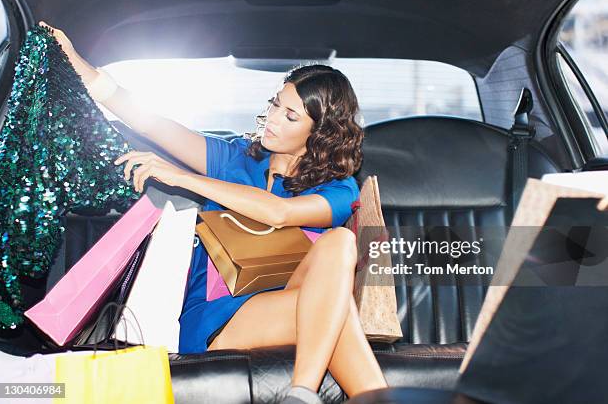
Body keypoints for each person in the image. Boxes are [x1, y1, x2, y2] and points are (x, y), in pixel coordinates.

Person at [39, 22, 390, 403]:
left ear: (319, 133)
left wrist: (185, 178)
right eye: (276, 104)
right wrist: (82, 68)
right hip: (217, 319)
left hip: (294, 303)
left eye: (291, 117)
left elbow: (280, 214)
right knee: (336, 315)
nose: (273, 119)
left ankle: (301, 392)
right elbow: (152, 124)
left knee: (338, 243)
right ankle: (311, 395)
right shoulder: (234, 157)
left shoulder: (339, 188)